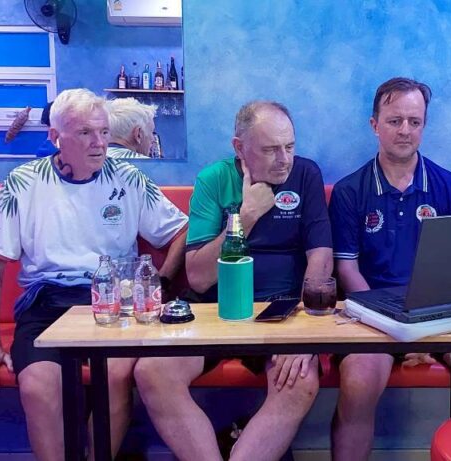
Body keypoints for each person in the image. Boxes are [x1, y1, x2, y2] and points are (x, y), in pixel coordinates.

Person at [0, 88, 188, 460]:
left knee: (116, 375)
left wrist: (161, 283)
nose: (99, 143)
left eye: (103, 131)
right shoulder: (23, 182)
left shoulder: (128, 177)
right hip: (47, 303)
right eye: (85, 133)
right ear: (55, 137)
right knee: (37, 386)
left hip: (115, 302)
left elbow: (181, 230)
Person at [328, 77, 451, 460]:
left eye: (414, 122)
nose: (405, 130)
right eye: (394, 120)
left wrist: (425, 331)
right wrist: (397, 327)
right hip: (372, 320)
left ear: (424, 126)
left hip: (440, 316)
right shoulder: (350, 191)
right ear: (375, 125)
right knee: (358, 385)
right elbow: (347, 270)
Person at [133, 100, 332, 461]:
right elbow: (198, 276)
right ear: (239, 148)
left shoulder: (306, 174)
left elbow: (320, 257)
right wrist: (245, 217)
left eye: (289, 146)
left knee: (300, 380)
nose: (284, 159)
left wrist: (306, 333)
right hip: (214, 308)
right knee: (152, 371)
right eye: (270, 150)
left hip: (281, 311)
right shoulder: (214, 179)